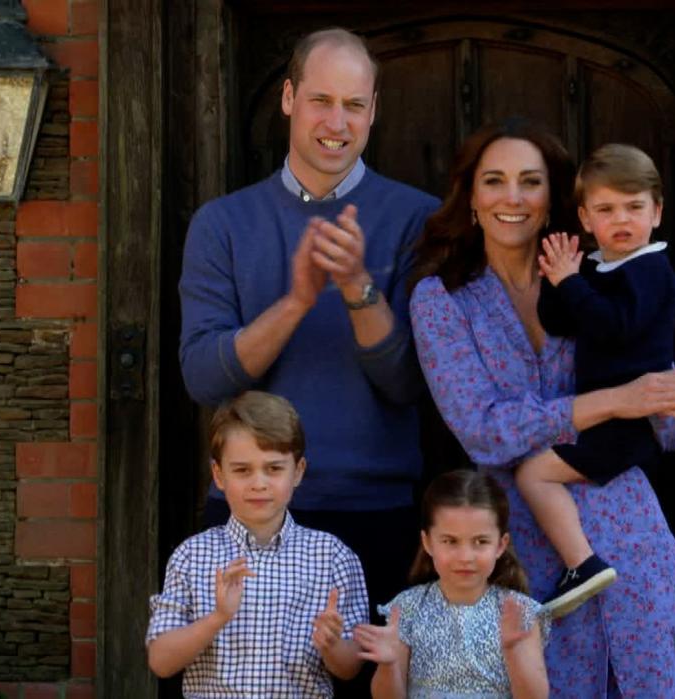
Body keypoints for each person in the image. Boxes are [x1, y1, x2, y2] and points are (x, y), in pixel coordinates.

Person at [408, 119, 675, 698]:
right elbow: (484, 432)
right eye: (494, 181)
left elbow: (674, 425)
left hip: (631, 537)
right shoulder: (442, 299)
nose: (512, 197)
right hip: (520, 550)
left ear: (553, 199)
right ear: (471, 198)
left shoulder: (602, 276)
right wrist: (615, 401)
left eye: (530, 181)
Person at [177, 28, 437, 695]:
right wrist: (295, 301)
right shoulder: (222, 223)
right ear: (288, 98)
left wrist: (357, 289)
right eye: (321, 100)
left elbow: (410, 382)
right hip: (249, 522)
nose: (337, 122)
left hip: (379, 517)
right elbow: (204, 377)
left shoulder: (419, 220)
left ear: (374, 110)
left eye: (354, 105)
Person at [516, 144, 675, 616]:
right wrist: (557, 278)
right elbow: (559, 322)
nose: (622, 219)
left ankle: (581, 565)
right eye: (606, 209)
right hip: (609, 414)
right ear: (586, 219)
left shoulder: (652, 271)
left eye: (634, 207)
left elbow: (614, 326)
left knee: (534, 473)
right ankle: (670, 593)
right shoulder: (598, 267)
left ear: (657, 211)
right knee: (634, 511)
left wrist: (572, 283)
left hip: (628, 421)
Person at [146, 392, 367, 697]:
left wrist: (331, 645)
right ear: (218, 475)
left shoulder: (333, 557)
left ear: (298, 471)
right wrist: (217, 618)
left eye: (274, 468)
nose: (259, 483)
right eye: (242, 470)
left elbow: (351, 667)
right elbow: (160, 661)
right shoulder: (192, 556)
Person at [353, 470, 549, 699]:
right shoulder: (407, 608)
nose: (465, 556)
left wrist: (514, 653)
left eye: (480, 542)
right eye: (450, 541)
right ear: (427, 542)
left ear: (500, 545)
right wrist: (389, 665)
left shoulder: (519, 612)